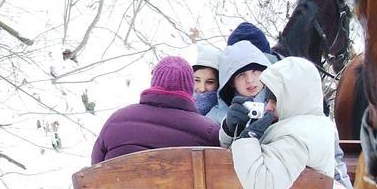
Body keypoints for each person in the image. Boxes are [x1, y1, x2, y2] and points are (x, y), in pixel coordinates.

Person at [218, 56, 337, 189]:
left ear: (293, 97)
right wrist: (232, 129)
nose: (268, 107)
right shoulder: (309, 123)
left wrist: (247, 139)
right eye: (268, 99)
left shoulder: (296, 136)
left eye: (274, 99)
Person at [91, 55, 219, 164]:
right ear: (189, 86)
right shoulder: (209, 131)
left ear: (154, 81)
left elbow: (94, 169)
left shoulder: (116, 120)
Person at [205, 40, 271, 124]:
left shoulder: (280, 101)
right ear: (231, 82)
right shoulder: (216, 117)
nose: (250, 80)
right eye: (241, 75)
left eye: (254, 71)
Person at [192, 44, 220, 116]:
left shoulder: (225, 113)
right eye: (197, 80)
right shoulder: (177, 105)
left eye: (210, 82)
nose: (202, 89)